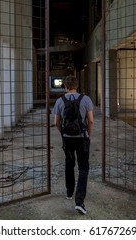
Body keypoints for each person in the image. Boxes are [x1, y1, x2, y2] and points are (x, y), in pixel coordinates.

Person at [53, 75, 94, 215]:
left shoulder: (60, 101)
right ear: (77, 86)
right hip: (82, 138)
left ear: (65, 86)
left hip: (67, 139)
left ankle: (69, 192)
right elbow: (91, 121)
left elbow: (56, 122)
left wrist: (63, 133)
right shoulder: (86, 99)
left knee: (69, 164)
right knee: (83, 167)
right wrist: (88, 135)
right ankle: (79, 201)